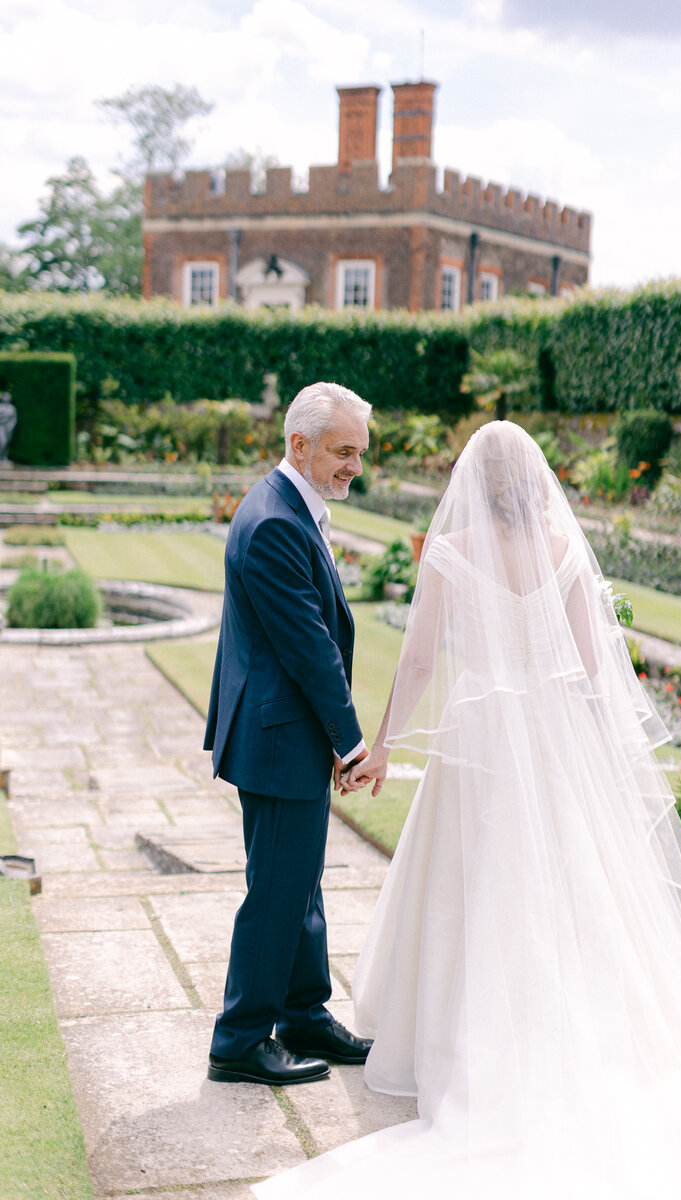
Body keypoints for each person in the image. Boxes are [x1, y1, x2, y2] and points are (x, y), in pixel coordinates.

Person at [252, 420, 681, 1197]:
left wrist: (379, 744)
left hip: (480, 737)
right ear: (538, 479)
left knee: (474, 890)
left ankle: (477, 1047)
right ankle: (588, 1040)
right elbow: (587, 664)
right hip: (556, 736)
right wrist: (599, 761)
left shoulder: (452, 548)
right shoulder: (564, 548)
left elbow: (416, 659)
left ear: (472, 480)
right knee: (574, 893)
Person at [204, 381, 374, 1087]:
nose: (353, 467)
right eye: (342, 452)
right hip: (280, 736)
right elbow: (310, 650)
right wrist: (353, 743)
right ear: (299, 445)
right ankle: (240, 1039)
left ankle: (305, 1014)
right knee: (278, 890)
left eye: (360, 454)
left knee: (299, 883)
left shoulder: (284, 506)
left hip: (279, 732)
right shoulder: (275, 521)